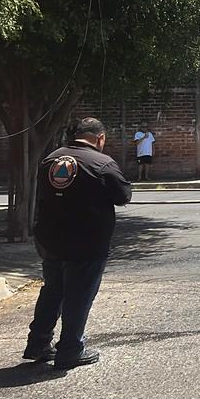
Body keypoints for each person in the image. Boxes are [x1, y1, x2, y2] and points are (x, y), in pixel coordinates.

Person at [25, 117, 131, 369]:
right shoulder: (102, 163)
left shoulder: (51, 159)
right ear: (100, 138)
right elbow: (123, 195)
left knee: (53, 291)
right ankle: (71, 349)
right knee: (79, 295)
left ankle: (38, 343)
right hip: (86, 241)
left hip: (50, 238)